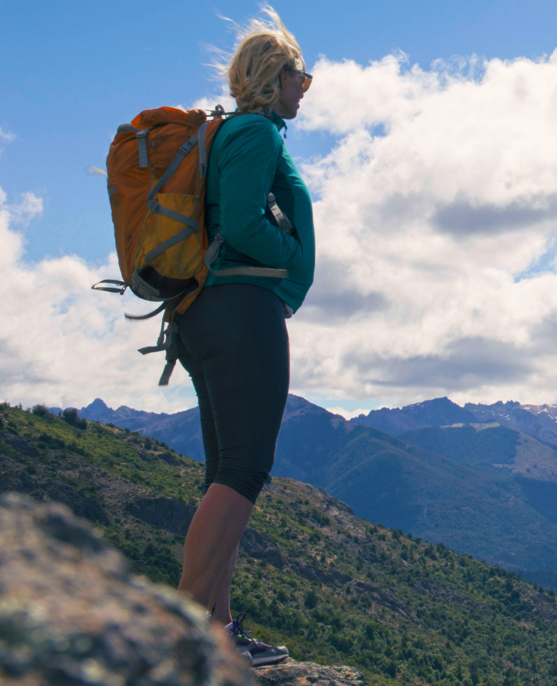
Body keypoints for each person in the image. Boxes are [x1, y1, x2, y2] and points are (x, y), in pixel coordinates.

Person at [174, 5, 315, 668]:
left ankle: (218, 627)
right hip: (241, 309)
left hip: (202, 312)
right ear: (273, 77)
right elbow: (241, 224)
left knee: (224, 471)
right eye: (299, 74)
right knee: (245, 468)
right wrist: (289, 248)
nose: (306, 86)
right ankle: (185, 635)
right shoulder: (257, 134)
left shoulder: (228, 133)